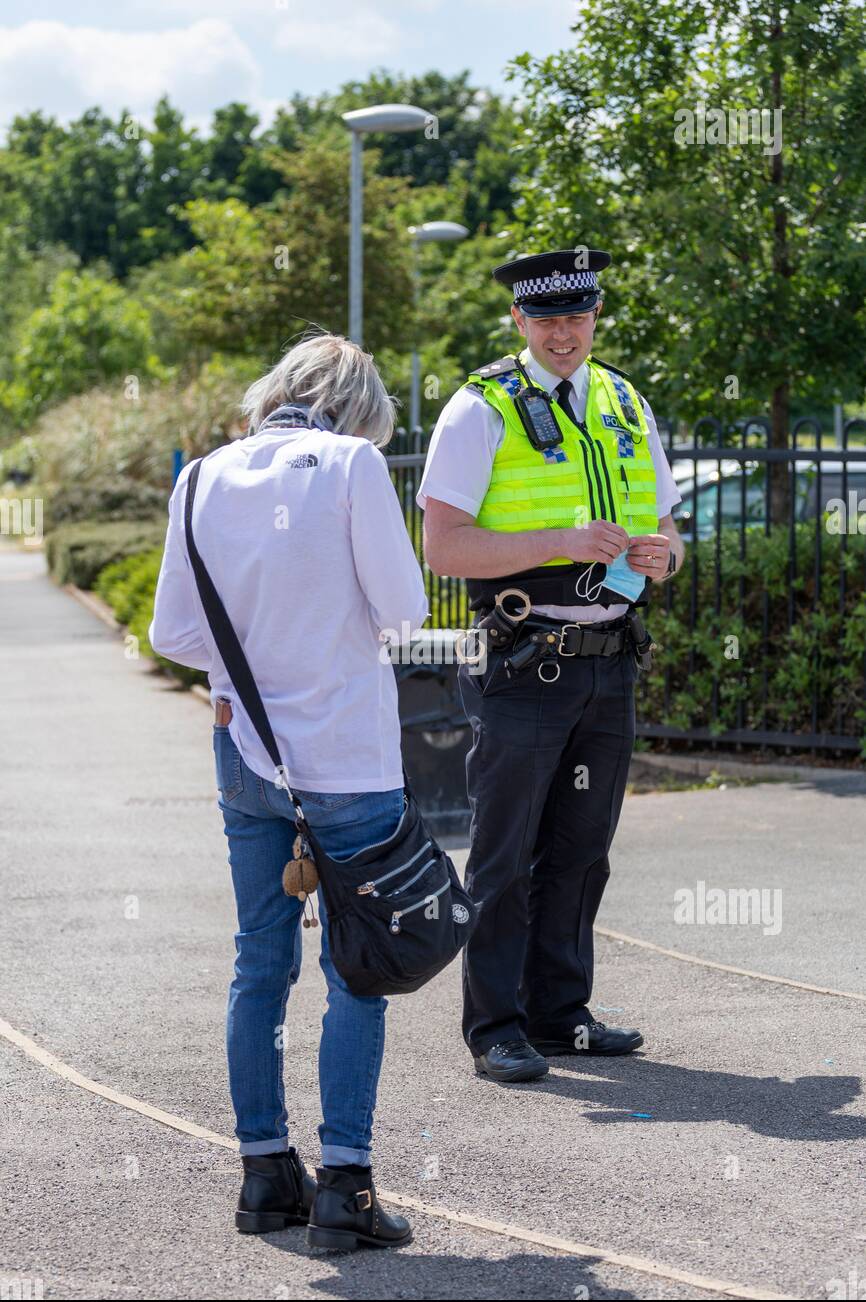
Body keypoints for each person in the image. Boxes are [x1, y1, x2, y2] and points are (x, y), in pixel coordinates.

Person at [149, 333, 429, 1248]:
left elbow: (174, 634)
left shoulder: (201, 476)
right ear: (357, 410)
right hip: (346, 758)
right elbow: (404, 609)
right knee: (357, 971)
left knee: (258, 962)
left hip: (246, 756)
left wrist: (252, 669)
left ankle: (265, 1175)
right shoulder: (350, 465)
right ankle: (346, 1184)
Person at [418, 248, 685, 1083]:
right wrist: (561, 542)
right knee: (504, 853)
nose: (563, 332)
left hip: (611, 657)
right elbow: (443, 544)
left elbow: (670, 527)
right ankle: (494, 1025)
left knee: (581, 850)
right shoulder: (480, 406)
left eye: (577, 316)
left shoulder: (623, 399)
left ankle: (560, 1014)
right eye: (546, 318)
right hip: (524, 661)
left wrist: (665, 559)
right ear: (519, 322)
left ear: (596, 316)